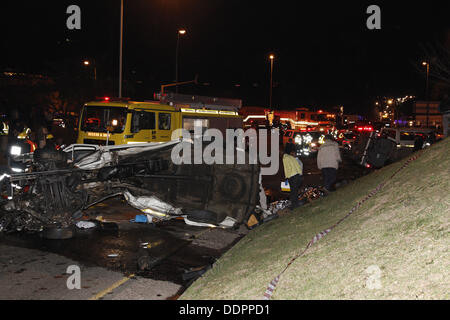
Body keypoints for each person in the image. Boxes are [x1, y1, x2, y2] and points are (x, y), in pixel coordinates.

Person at [282, 142, 303, 210]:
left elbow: (287, 168)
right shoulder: (293, 158)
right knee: (295, 191)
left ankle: (294, 205)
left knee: (293, 192)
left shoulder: (285, 158)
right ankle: (296, 204)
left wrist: (286, 177)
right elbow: (299, 166)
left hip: (292, 176)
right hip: (298, 175)